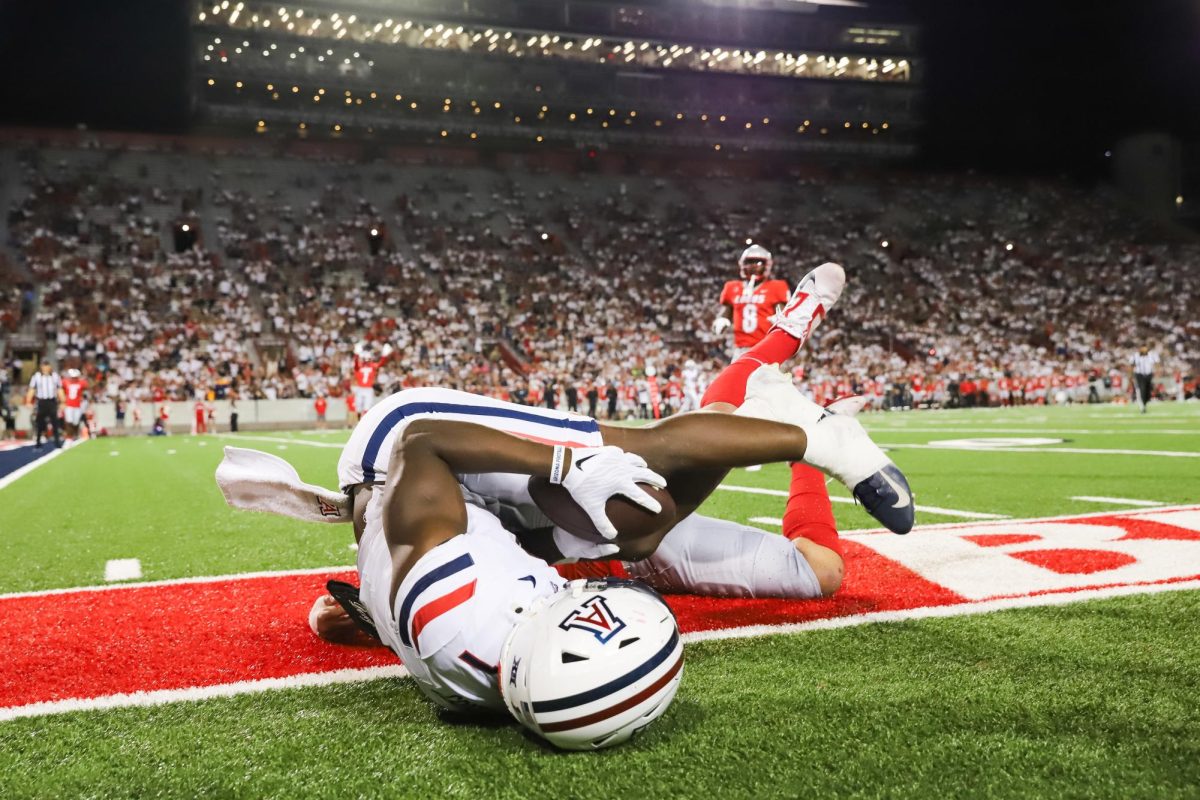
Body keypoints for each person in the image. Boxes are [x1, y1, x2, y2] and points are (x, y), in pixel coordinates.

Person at [711, 245, 793, 358]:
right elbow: (725, 313)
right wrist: (721, 320)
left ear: (767, 265)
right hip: (741, 349)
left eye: (758, 262)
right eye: (749, 262)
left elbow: (784, 314)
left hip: (767, 347)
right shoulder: (732, 287)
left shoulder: (776, 287)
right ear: (742, 265)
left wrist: (780, 319)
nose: (753, 266)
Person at [25, 359, 63, 448]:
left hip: (52, 401)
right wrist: (28, 401)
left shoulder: (55, 376)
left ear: (50, 367)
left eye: (47, 366)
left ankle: (57, 442)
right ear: (41, 367)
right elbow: (32, 389)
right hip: (41, 402)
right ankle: (38, 442)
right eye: (44, 366)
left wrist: (63, 401)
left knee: (55, 422)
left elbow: (59, 389)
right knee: (40, 422)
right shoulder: (36, 376)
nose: (45, 368)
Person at [1131, 345, 1158, 413]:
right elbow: (1131, 365)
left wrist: (1157, 373)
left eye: (1145, 348)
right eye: (1142, 348)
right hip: (1139, 375)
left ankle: (1144, 404)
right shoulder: (1135, 356)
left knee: (1147, 392)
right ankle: (1142, 407)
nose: (1144, 349)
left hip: (1149, 375)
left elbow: (1157, 363)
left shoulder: (1151, 355)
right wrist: (1131, 376)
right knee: (1141, 390)